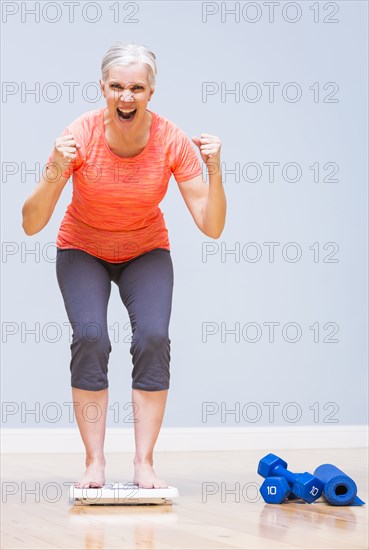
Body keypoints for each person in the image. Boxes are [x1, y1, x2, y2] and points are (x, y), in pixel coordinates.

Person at [21, 41, 226, 489]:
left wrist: (215, 171)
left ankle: (143, 463)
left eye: (137, 87)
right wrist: (57, 167)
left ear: (151, 91)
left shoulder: (171, 139)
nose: (126, 97)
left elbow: (211, 226)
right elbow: (31, 223)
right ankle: (94, 462)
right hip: (82, 248)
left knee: (153, 338)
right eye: (117, 86)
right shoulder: (81, 135)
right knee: (90, 338)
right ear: (103, 88)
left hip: (145, 249)